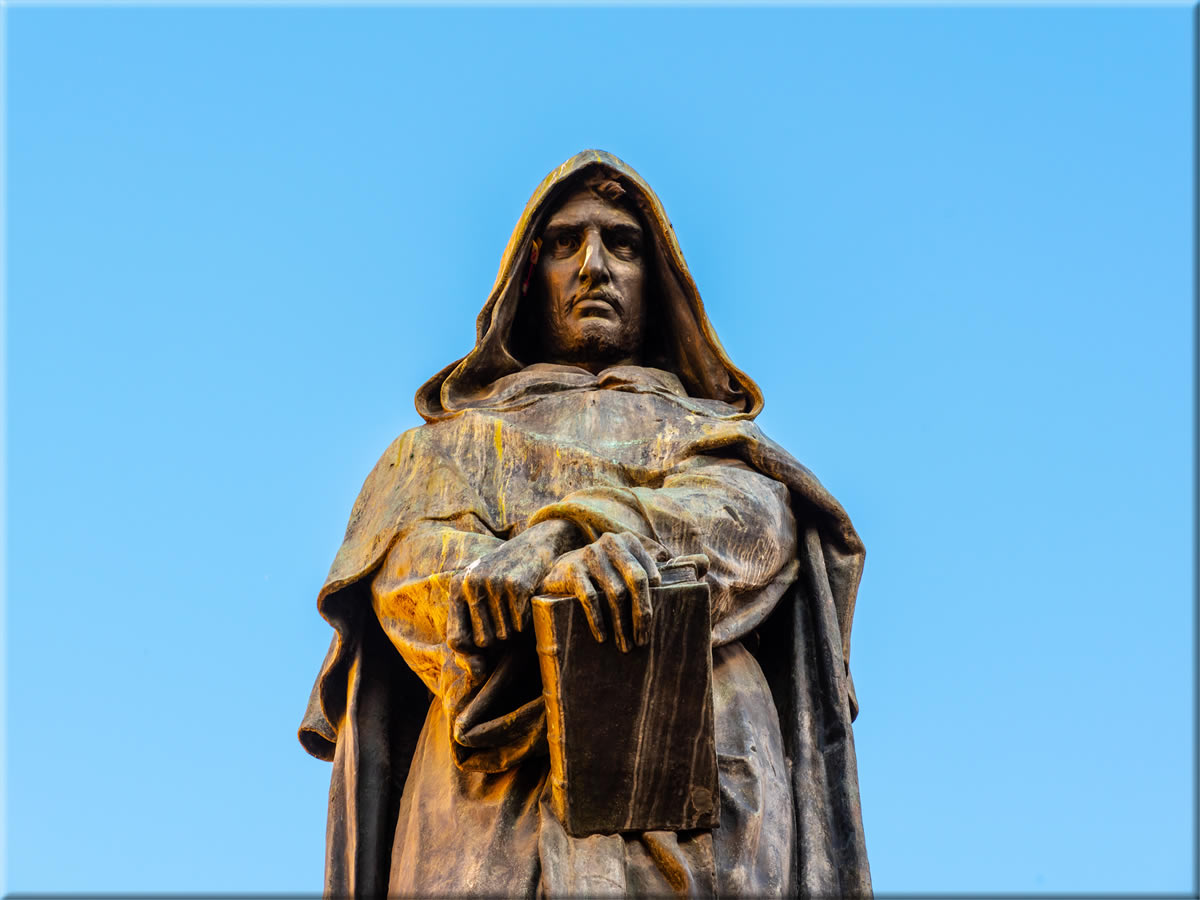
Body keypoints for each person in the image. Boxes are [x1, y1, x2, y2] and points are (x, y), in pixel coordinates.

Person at [298, 150, 872, 898]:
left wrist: (567, 533)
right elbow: (410, 571)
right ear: (527, 279)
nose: (594, 266)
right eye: (565, 243)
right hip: (491, 803)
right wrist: (540, 584)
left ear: (658, 283)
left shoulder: (721, 441)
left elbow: (750, 528)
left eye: (622, 245)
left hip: (703, 799)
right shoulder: (441, 448)